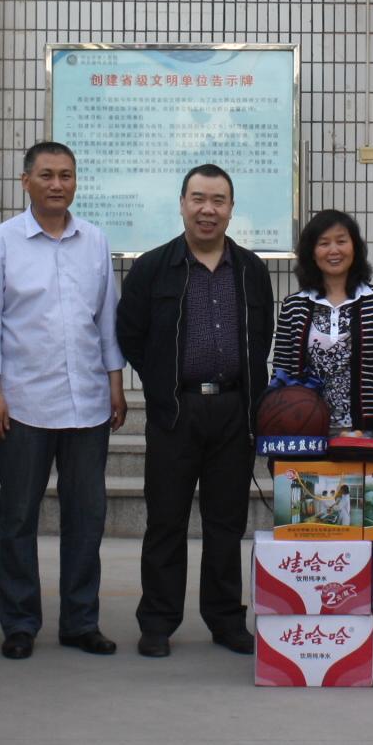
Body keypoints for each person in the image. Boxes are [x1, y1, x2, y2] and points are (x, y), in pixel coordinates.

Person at [0, 141, 126, 661]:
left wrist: (115, 382)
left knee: (87, 517)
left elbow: (106, 320)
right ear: (26, 182)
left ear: (76, 181)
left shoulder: (95, 241)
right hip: (23, 405)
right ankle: (19, 623)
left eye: (66, 175)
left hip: (88, 403)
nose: (57, 184)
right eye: (46, 175)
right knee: (18, 518)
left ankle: (81, 621)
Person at [118, 164, 276, 658]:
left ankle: (226, 620)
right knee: (165, 521)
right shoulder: (153, 267)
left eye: (218, 200)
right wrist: (161, 383)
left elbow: (261, 337)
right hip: (175, 411)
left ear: (231, 208)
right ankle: (157, 622)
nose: (208, 210)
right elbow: (131, 334)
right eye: (199, 199)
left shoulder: (251, 270)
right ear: (183, 203)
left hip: (233, 410)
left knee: (226, 524)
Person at [272, 210, 373, 432]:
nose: (333, 250)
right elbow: (281, 370)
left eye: (341, 241)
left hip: (368, 431)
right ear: (311, 252)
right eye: (324, 243)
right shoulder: (294, 305)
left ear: (355, 248)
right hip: (305, 430)